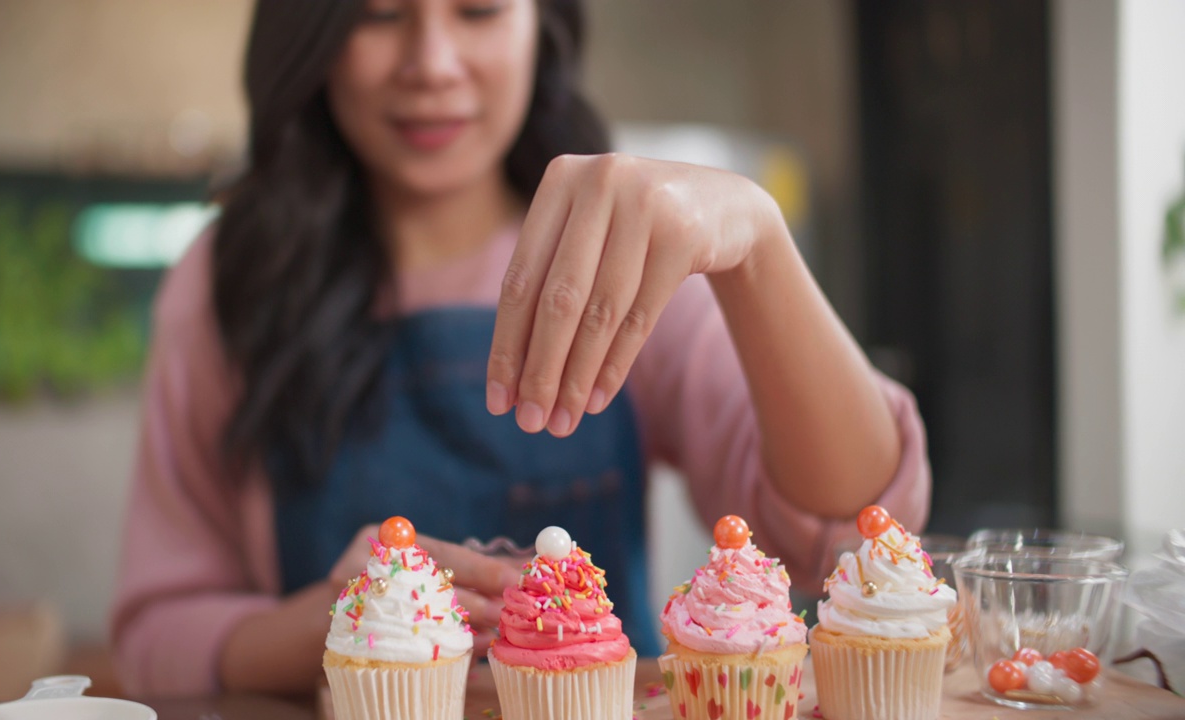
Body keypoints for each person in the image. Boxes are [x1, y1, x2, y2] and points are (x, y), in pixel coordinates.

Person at [110, 0, 931, 698]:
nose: (430, 63)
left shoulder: (625, 254)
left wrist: (757, 244)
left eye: (478, 8)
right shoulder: (227, 280)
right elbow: (156, 639)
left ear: (545, 23)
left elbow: (846, 538)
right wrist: (337, 621)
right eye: (378, 13)